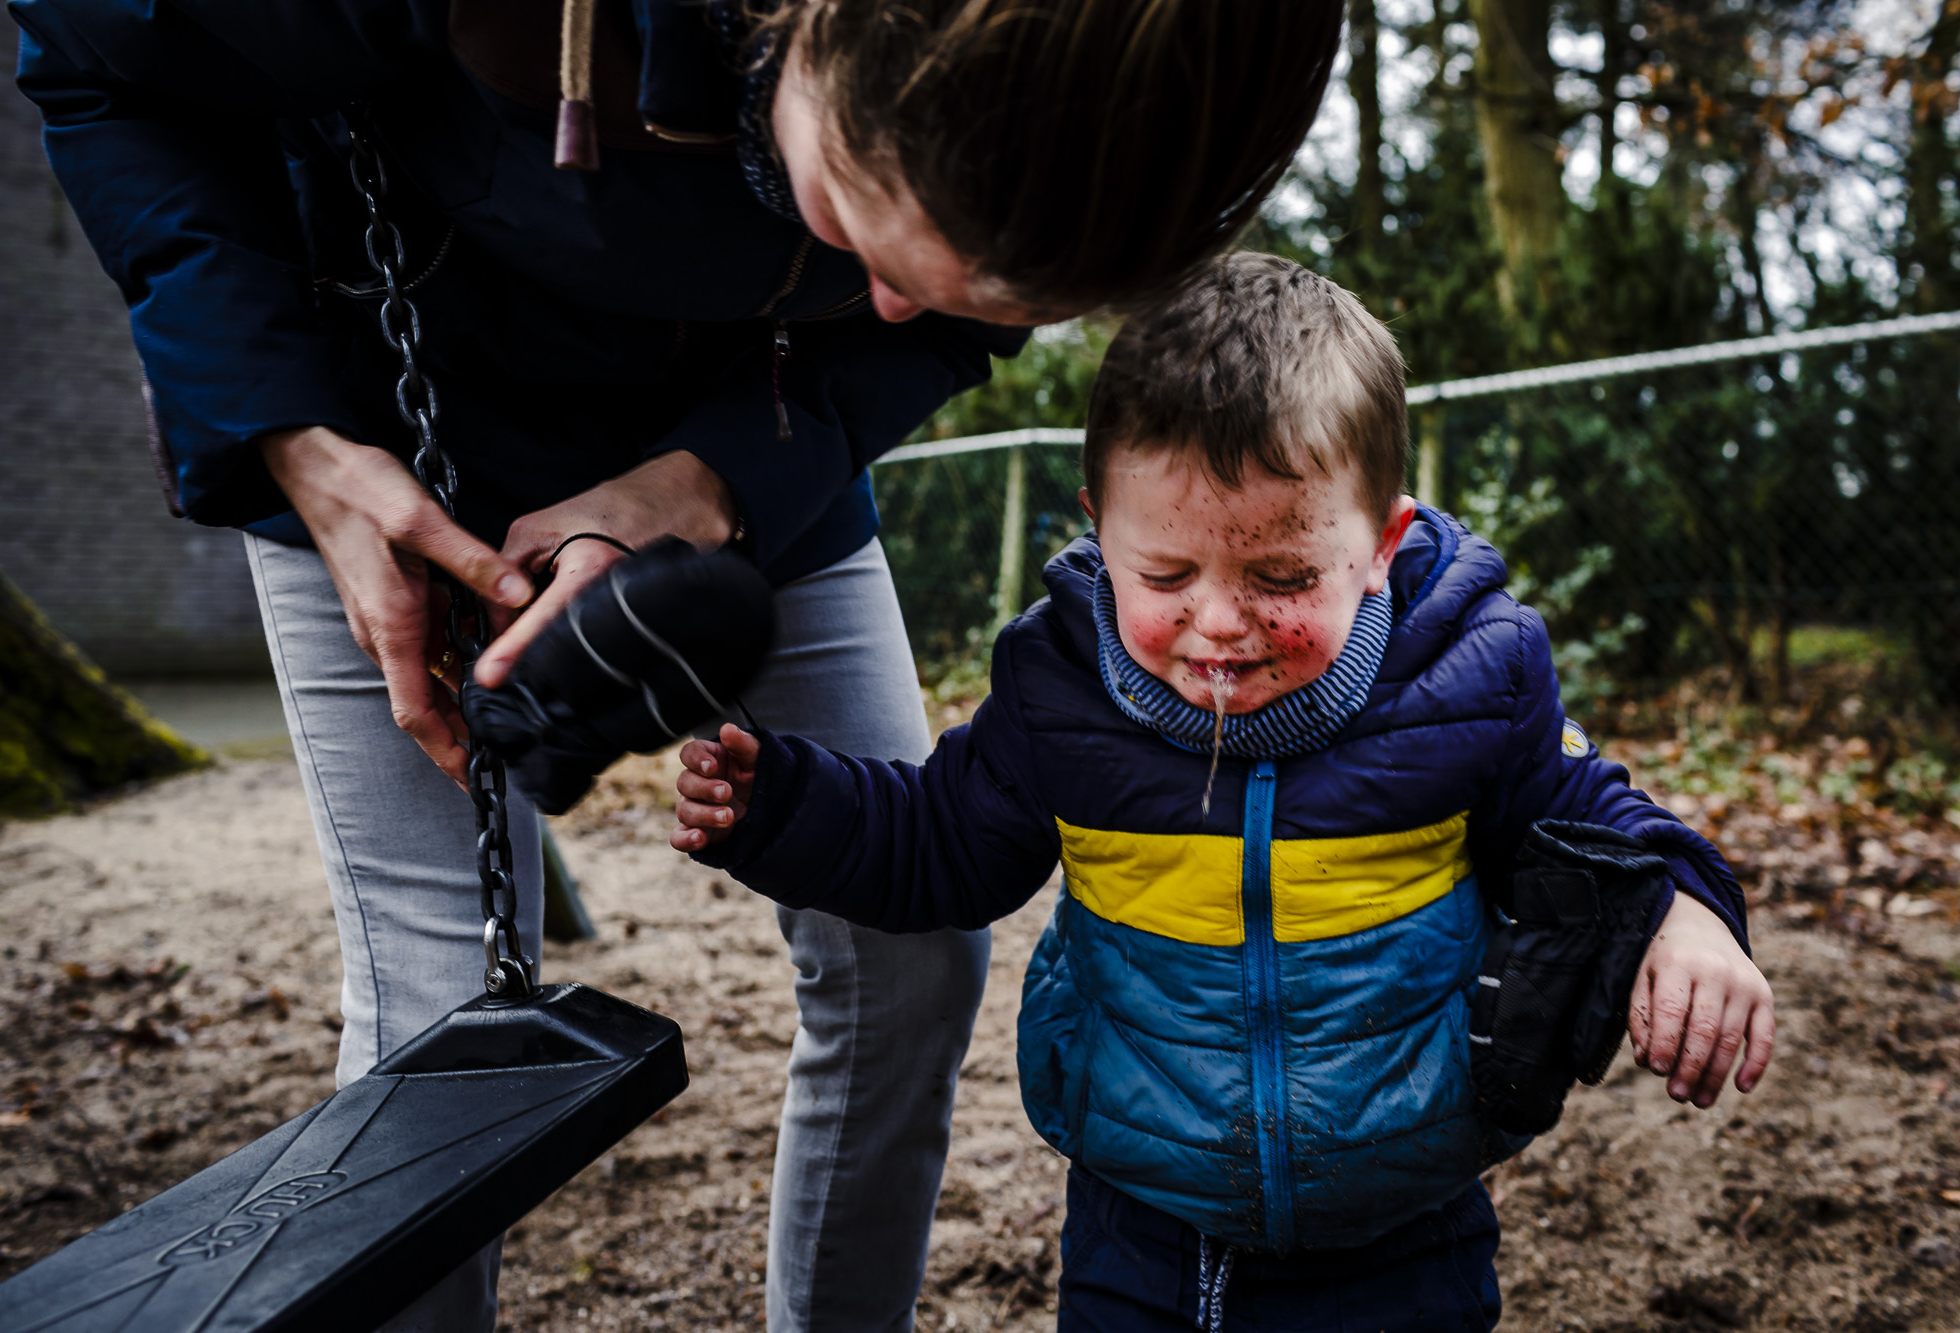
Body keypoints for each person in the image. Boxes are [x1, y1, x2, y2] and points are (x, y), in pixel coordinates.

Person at [11, 1, 1352, 1328]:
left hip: (759, 428)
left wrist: (715, 476)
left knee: (912, 944)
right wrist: (287, 435)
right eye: (875, 221)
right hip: (387, 440)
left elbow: (939, 315)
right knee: (439, 1013)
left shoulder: (1051, 170)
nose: (885, 301)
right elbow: (91, 55)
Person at [671, 254, 1778, 1332]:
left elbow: (1594, 822)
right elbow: (936, 844)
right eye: (1163, 576)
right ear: (1098, 528)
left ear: (1381, 544)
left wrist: (1684, 913)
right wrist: (780, 807)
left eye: (1282, 577)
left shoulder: (1464, 677)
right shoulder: (1060, 688)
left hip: (1403, 1221)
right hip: (1138, 1218)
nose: (1217, 621)